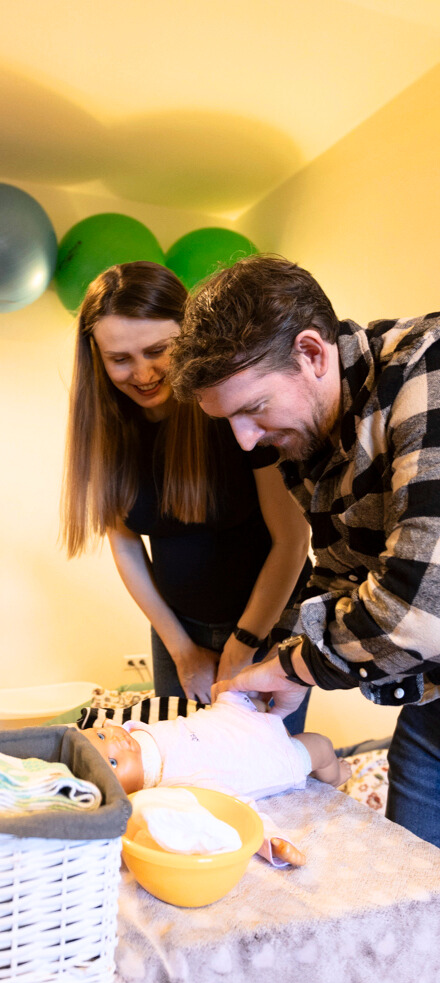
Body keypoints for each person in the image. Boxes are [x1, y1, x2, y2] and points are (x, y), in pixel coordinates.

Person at [167, 252, 440, 848]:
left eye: (253, 409)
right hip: (432, 708)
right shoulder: (310, 438)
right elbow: (339, 571)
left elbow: (421, 610)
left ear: (312, 353)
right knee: (413, 883)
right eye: (229, 420)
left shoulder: (429, 370)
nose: (245, 441)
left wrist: (292, 666)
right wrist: (287, 660)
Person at [61, 261, 311, 727]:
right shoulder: (106, 431)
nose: (143, 373)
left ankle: (320, 757)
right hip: (178, 629)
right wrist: (180, 648)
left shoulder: (233, 410)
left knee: (264, 760)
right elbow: (125, 546)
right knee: (180, 760)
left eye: (158, 350)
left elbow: (293, 541)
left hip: (270, 622)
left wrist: (243, 644)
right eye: (120, 359)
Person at [83, 692, 350, 865]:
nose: (115, 742)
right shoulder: (175, 788)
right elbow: (236, 810)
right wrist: (272, 841)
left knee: (257, 691)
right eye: (114, 762)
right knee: (321, 746)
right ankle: (336, 775)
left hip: (237, 713)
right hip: (275, 754)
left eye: (102, 736)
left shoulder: (137, 731)